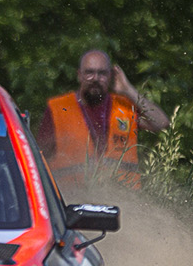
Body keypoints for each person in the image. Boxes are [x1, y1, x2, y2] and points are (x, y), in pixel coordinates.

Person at [35, 49, 169, 188]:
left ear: (110, 76)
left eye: (102, 73)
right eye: (89, 72)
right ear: (79, 75)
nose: (95, 78)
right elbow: (39, 159)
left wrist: (128, 90)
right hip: (73, 195)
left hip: (123, 195)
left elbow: (161, 123)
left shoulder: (124, 107)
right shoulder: (59, 108)